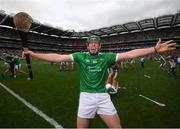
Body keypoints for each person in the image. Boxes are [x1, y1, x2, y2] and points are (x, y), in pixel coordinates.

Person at [23, 35, 176, 128]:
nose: (93, 45)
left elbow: (130, 54)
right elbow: (58, 58)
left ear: (99, 46)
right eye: (91, 43)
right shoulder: (80, 56)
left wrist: (154, 49)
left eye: (96, 43)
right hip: (86, 97)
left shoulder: (106, 57)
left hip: (103, 97)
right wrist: (34, 54)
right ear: (87, 46)